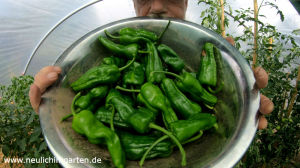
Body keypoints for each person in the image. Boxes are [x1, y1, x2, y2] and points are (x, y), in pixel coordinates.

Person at [29, 0, 274, 129]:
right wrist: (54, 103)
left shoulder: (205, 52)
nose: (156, 6)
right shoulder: (120, 51)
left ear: (187, 1)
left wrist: (238, 96)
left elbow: (214, 107)